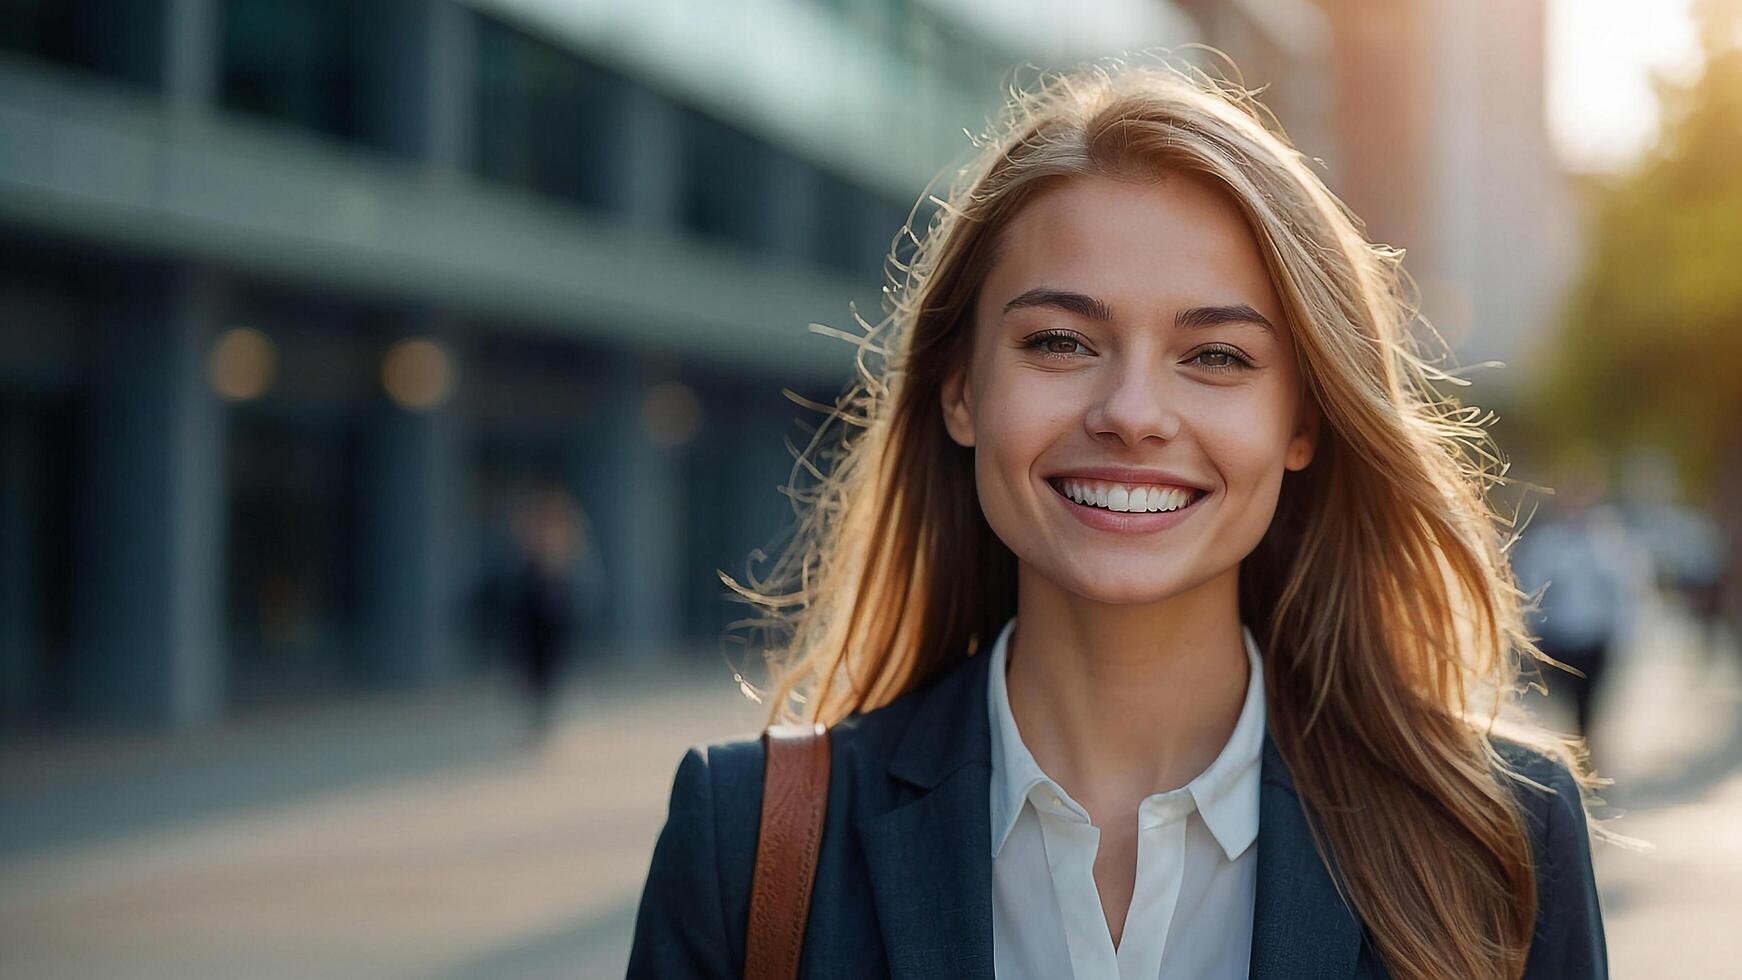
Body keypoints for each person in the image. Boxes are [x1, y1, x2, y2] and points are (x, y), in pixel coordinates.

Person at [629, 59, 1608, 979]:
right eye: (1059, 340)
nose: (1132, 412)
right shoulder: (747, 841)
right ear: (960, 388)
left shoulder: (1499, 833)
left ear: (1301, 419)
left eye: (1215, 355)